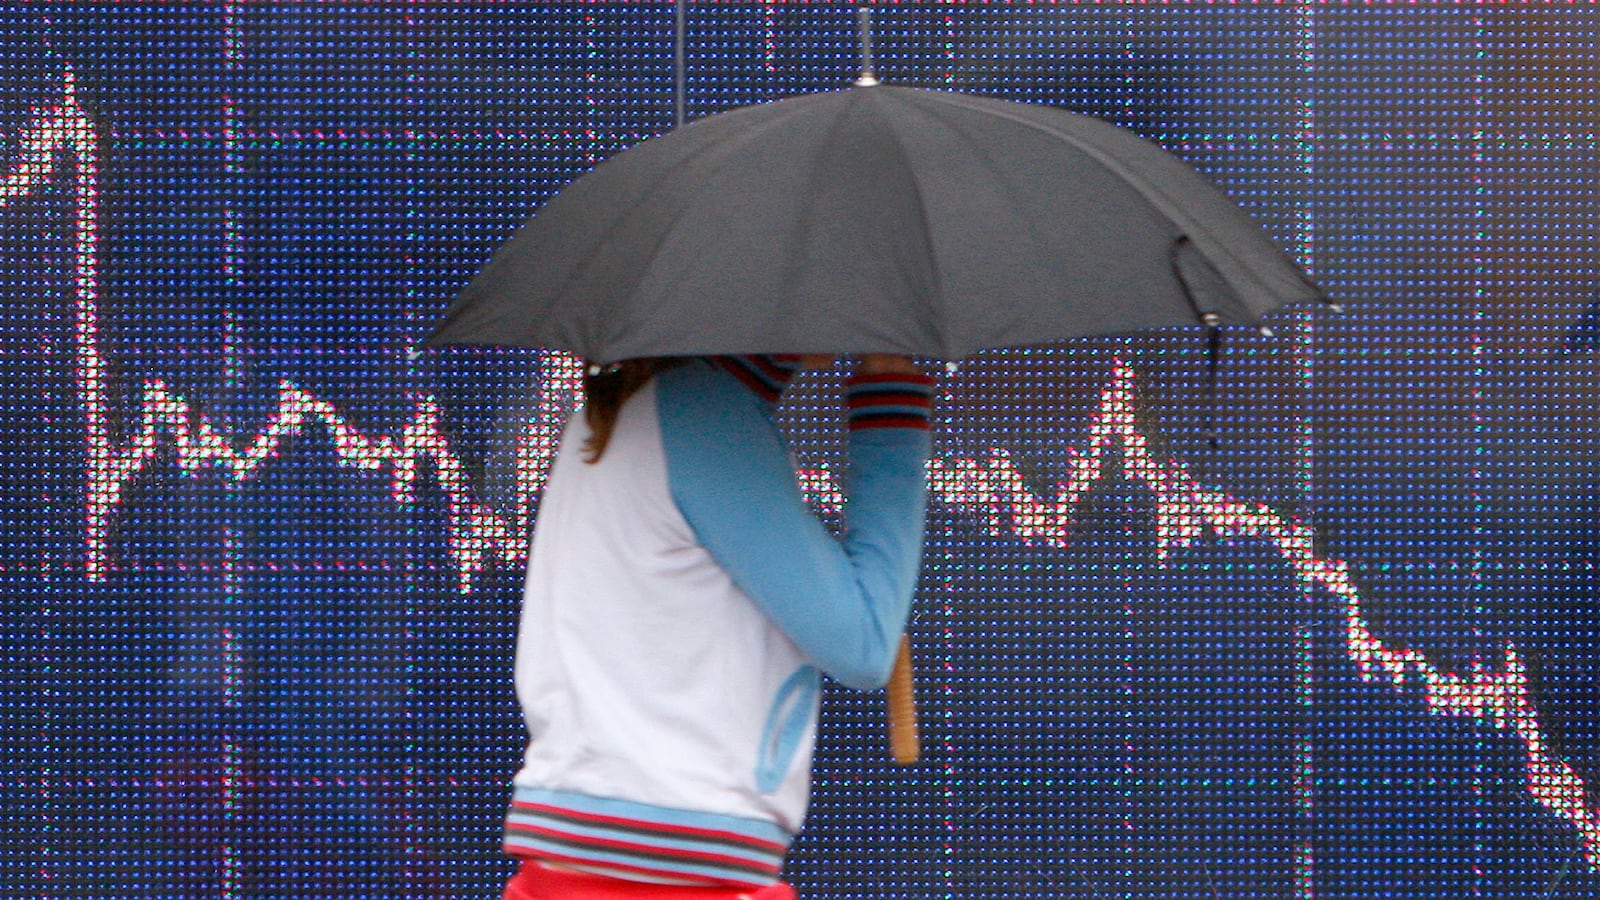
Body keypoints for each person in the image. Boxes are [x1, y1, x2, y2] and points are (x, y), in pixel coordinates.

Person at [500, 352, 935, 899]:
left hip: (582, 861)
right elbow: (866, 643)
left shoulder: (628, 408)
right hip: (674, 865)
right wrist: (892, 397)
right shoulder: (702, 413)